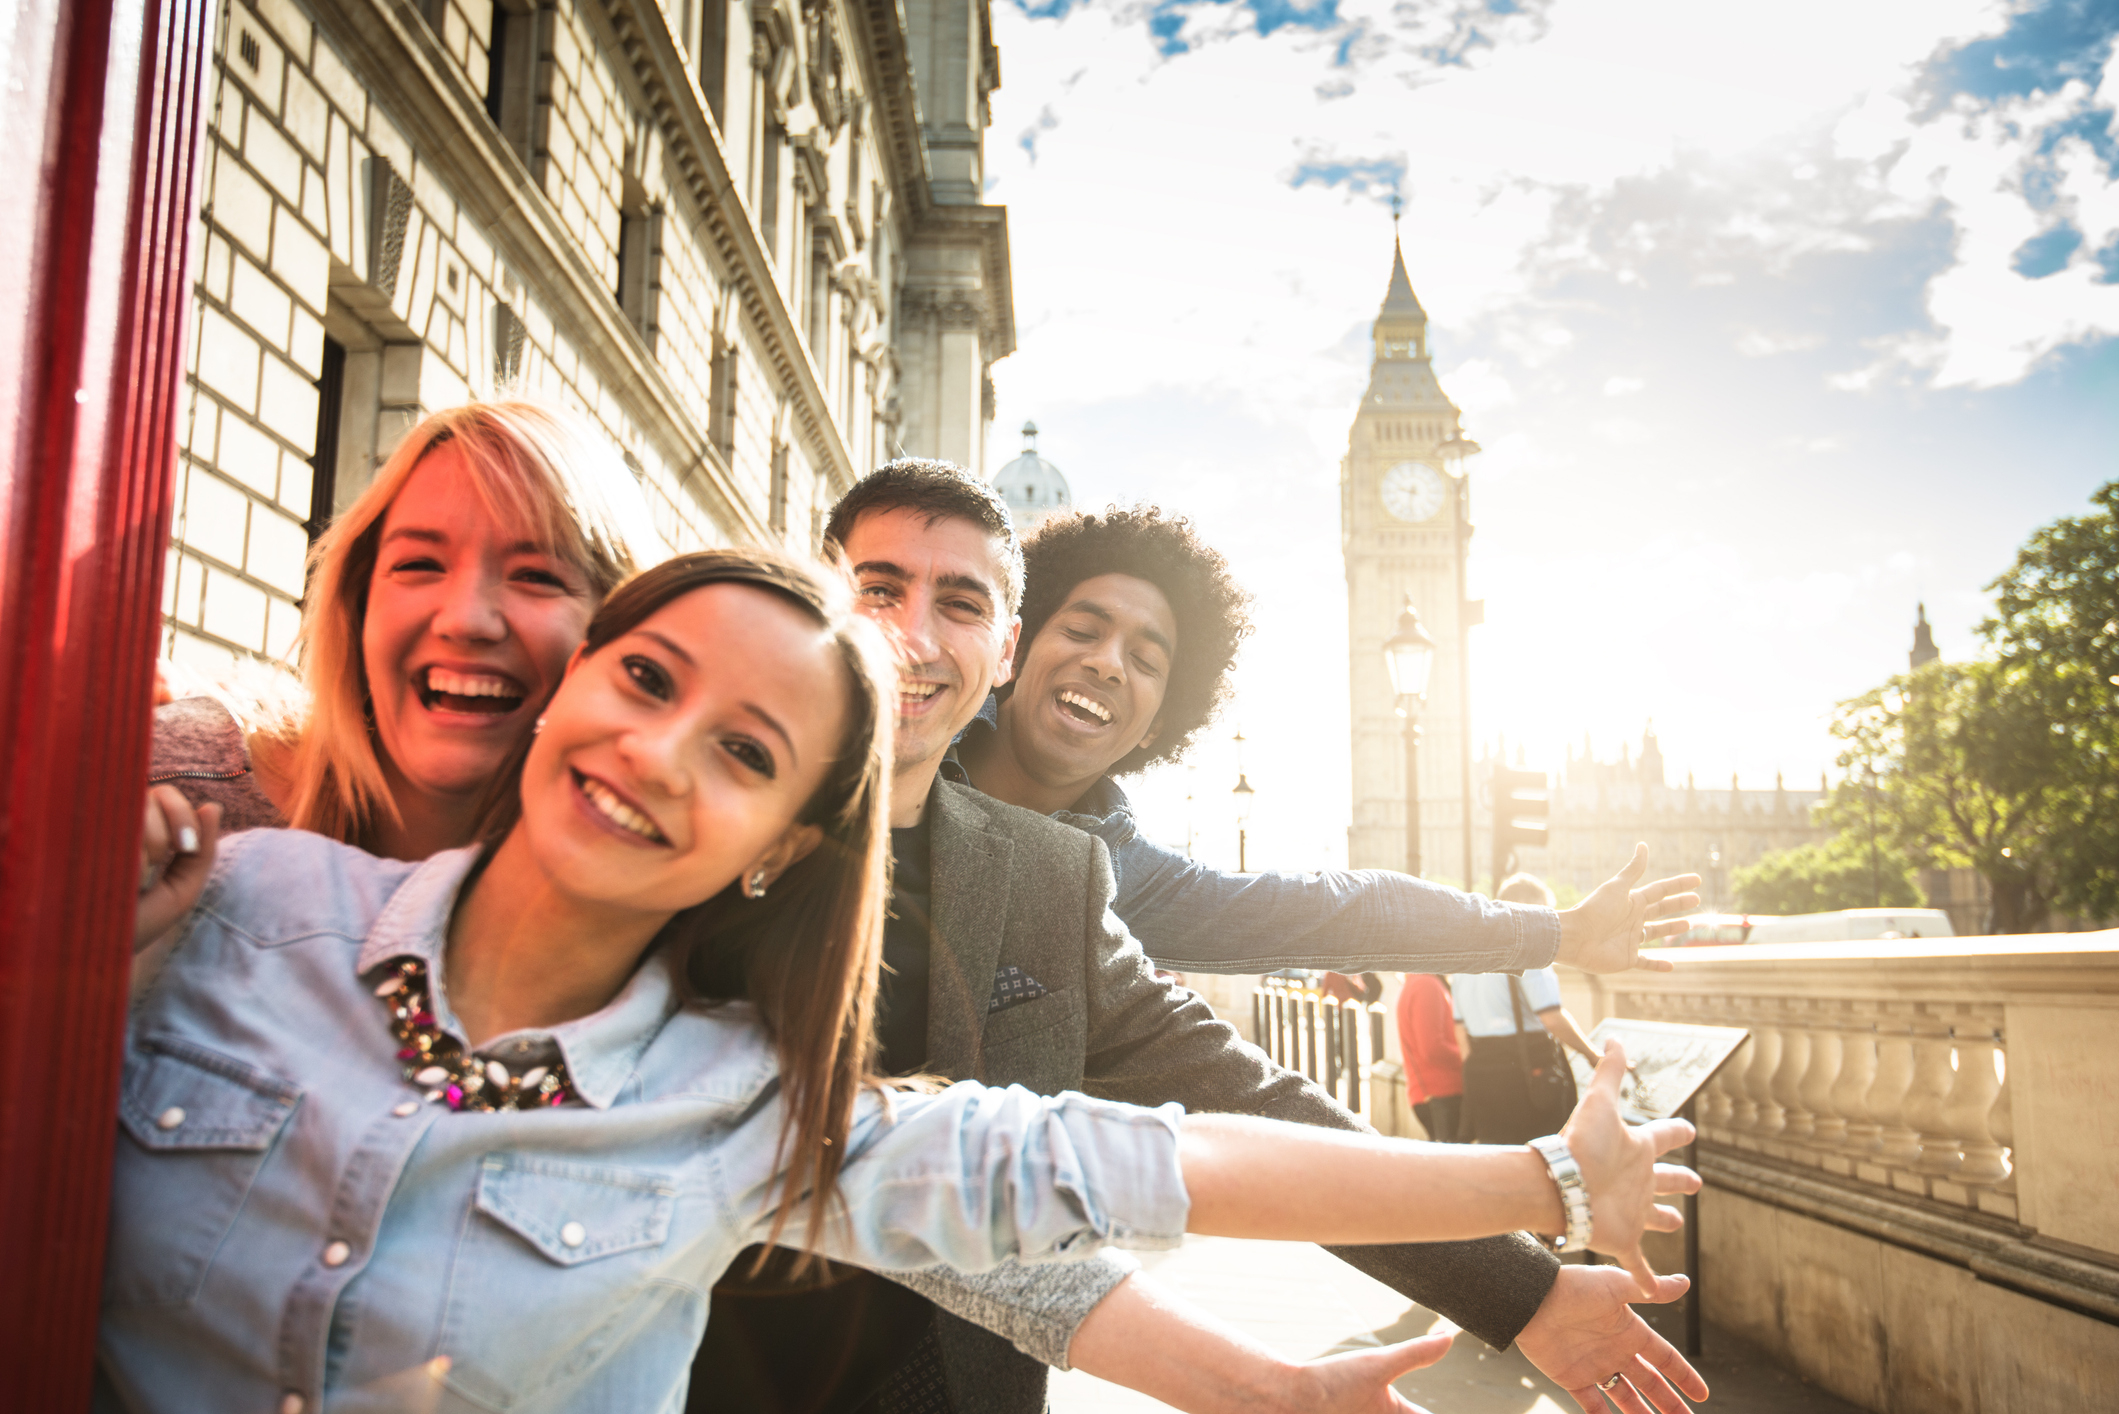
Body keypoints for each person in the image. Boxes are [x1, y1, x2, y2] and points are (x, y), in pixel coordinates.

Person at [118, 549, 1697, 1414]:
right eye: (645, 680)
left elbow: (1109, 1160)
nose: (661, 751)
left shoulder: (746, 1092)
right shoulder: (232, 902)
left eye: (743, 748)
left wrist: (1543, 1179)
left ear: (786, 838)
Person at [692, 467, 1710, 1414]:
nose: (913, 636)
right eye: (878, 590)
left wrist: (1524, 1281)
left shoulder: (1073, 877)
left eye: (1146, 657)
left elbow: (1267, 1050)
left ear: (996, 643)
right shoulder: (707, 796)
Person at [144, 400, 652, 858]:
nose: (465, 620)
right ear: (360, 601)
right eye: (420, 564)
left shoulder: (650, 891)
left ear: (615, 629)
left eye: (536, 576)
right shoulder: (164, 782)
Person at [1454, 875, 1608, 1146]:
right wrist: (1593, 1055)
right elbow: (1551, 1017)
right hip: (1525, 1075)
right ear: (1533, 910)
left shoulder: (1467, 956)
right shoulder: (1530, 948)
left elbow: (1459, 1029)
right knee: (1544, 1157)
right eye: (1549, 914)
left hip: (1481, 1071)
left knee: (1498, 1161)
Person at [1396, 973, 1465, 1144]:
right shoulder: (1426, 985)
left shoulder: (1417, 982)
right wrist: (1467, 1056)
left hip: (1432, 1093)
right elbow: (1432, 1048)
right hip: (1441, 1092)